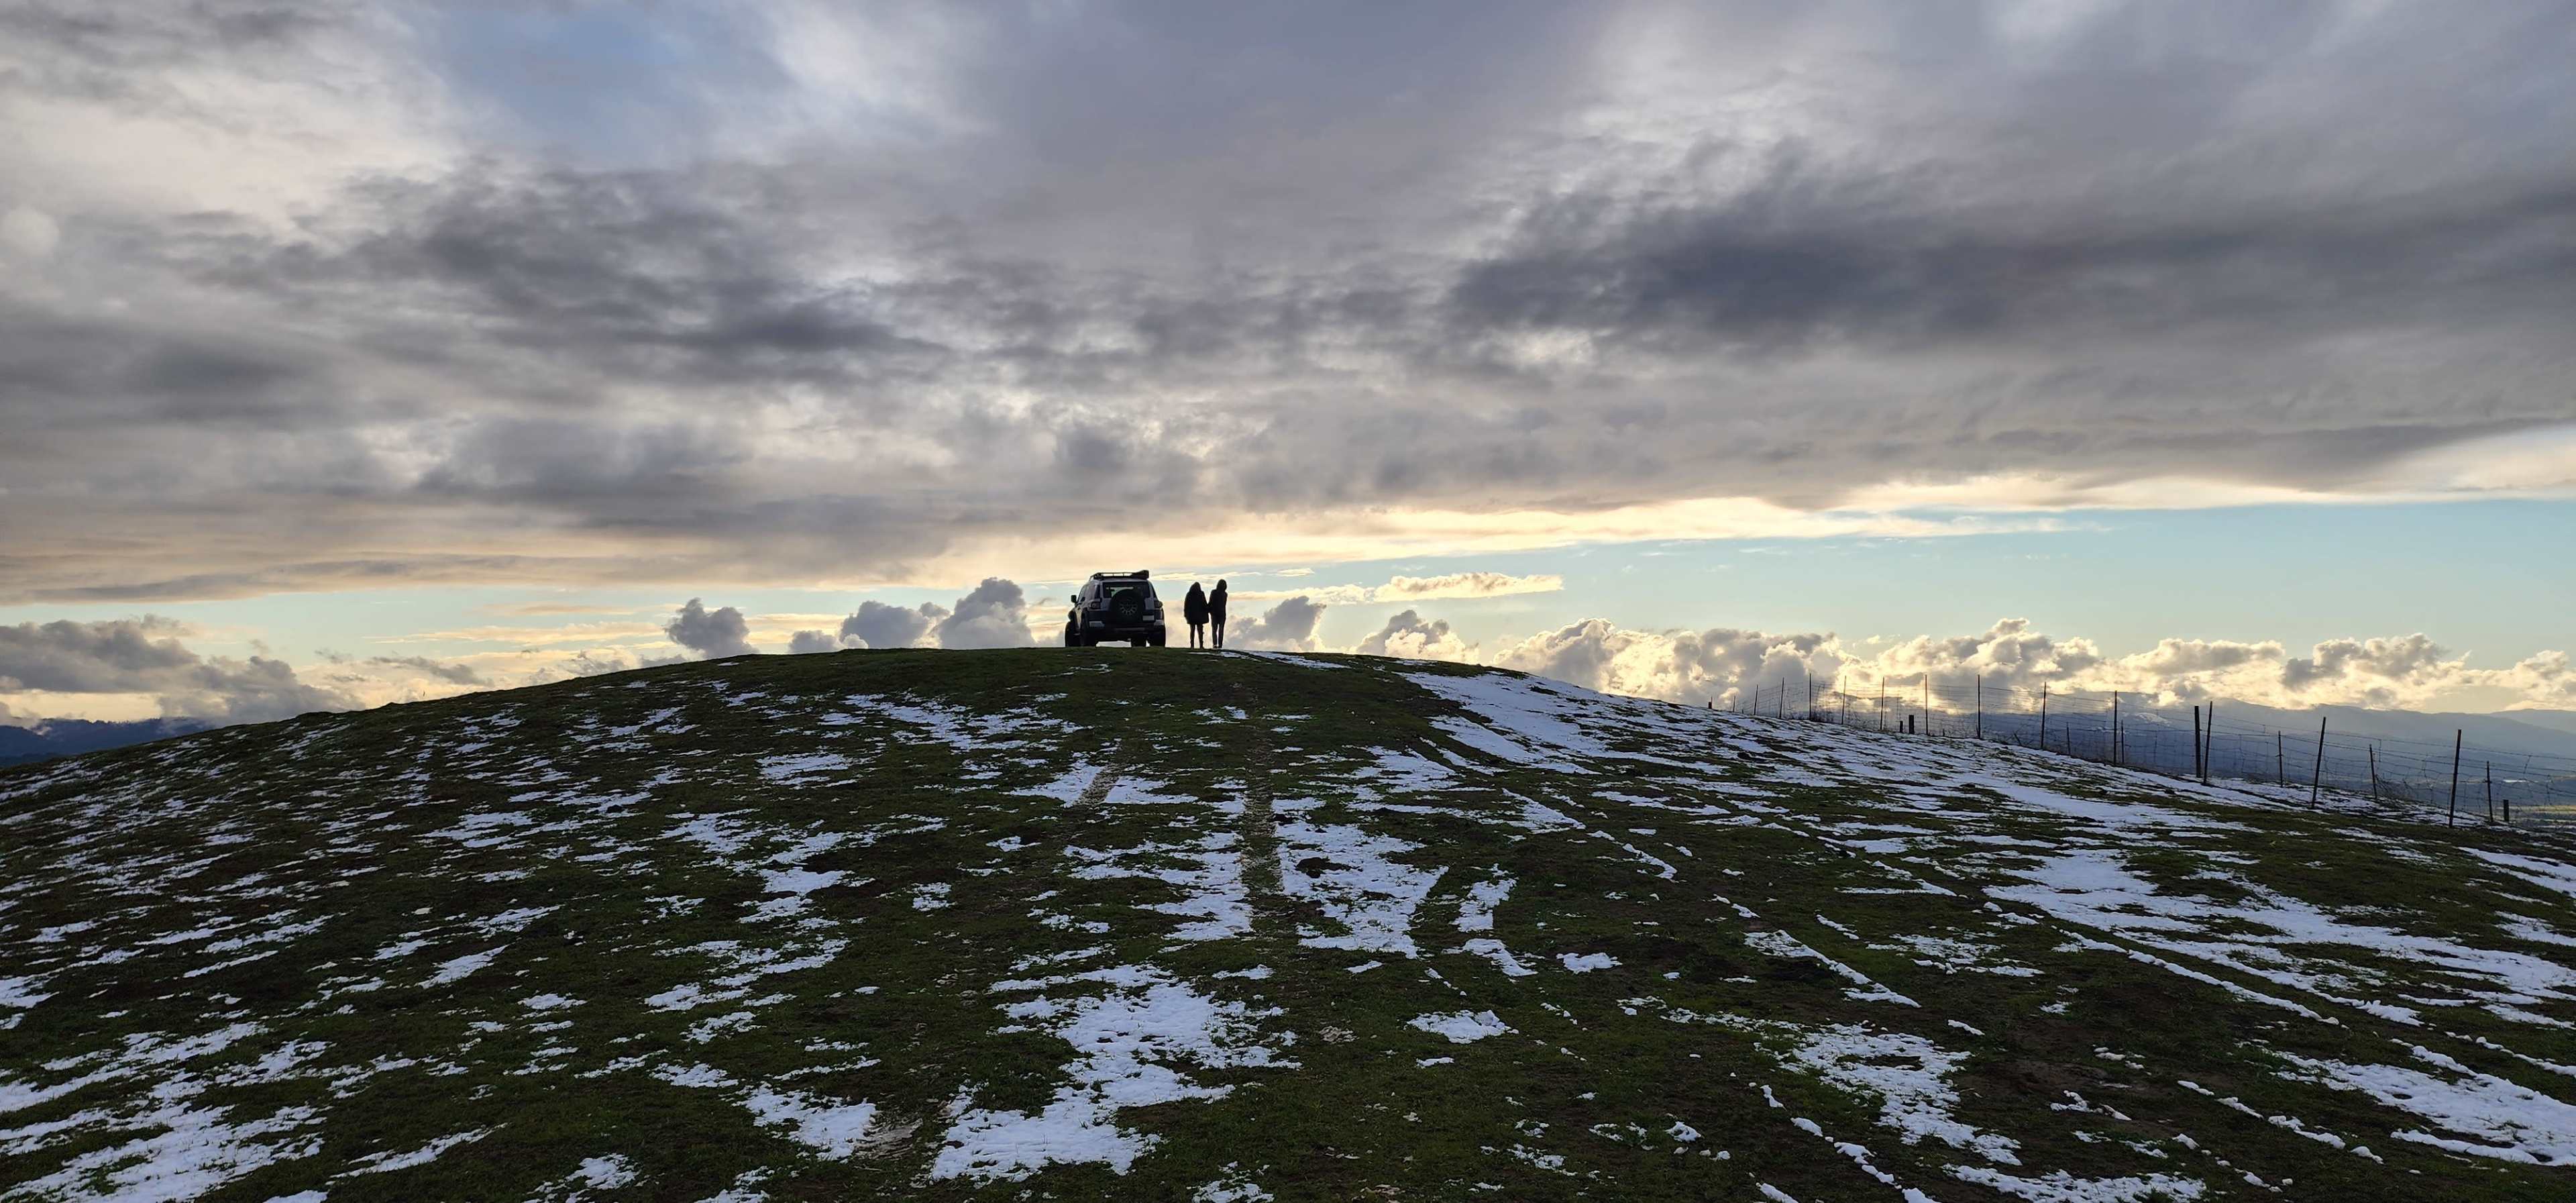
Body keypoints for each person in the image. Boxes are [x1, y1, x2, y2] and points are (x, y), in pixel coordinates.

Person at [1183, 581, 1210, 648]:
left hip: (1191, 616)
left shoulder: (1189, 594)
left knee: (1192, 630)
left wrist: (1186, 615)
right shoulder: (1201, 594)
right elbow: (1204, 604)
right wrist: (1209, 609)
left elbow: (1186, 605)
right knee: (1200, 631)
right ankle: (1201, 645)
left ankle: (1192, 645)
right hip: (1200, 617)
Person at [1208, 579, 1228, 649]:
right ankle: (1220, 645)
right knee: (1221, 629)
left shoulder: (1214, 592)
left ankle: (1215, 644)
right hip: (1222, 614)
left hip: (1214, 613)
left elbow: (1211, 602)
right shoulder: (1225, 594)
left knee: (1214, 629)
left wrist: (1208, 609)